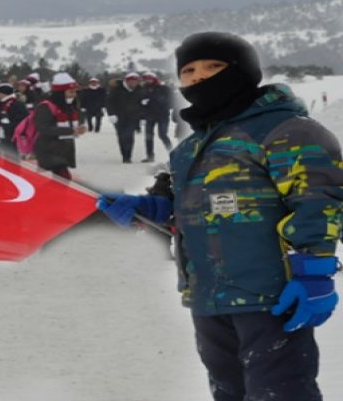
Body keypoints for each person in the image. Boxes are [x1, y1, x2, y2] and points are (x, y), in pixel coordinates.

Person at [97, 32, 343, 400]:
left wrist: (315, 272)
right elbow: (182, 209)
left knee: (281, 392)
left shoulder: (288, 131)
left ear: (244, 71)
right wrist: (147, 209)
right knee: (229, 393)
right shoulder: (189, 148)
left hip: (271, 296)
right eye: (189, 70)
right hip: (209, 296)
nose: (198, 77)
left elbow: (318, 203)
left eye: (213, 66)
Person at [33, 73, 87, 179]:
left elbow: (77, 119)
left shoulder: (70, 105)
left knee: (58, 181)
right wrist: (70, 130)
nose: (74, 94)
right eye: (71, 91)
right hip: (48, 148)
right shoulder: (46, 106)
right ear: (61, 92)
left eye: (75, 91)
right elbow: (42, 128)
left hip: (64, 149)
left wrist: (80, 127)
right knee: (63, 179)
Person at [105, 72, 144, 163]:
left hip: (133, 117)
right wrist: (111, 114)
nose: (134, 84)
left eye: (136, 82)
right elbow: (109, 102)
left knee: (129, 136)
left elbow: (142, 105)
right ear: (127, 81)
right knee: (122, 136)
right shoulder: (117, 89)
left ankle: (128, 156)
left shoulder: (140, 90)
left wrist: (142, 117)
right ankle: (124, 154)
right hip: (119, 117)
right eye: (132, 82)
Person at [140, 71, 175, 162]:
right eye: (146, 78)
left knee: (163, 135)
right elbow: (140, 103)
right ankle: (150, 156)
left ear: (154, 78)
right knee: (148, 136)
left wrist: (150, 101)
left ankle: (173, 154)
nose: (148, 80)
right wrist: (142, 115)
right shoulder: (143, 89)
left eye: (149, 78)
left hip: (162, 115)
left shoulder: (164, 88)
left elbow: (169, 102)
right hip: (149, 116)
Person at [0, 83, 28, 155]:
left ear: (3, 93)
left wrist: (8, 127)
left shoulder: (17, 104)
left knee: (10, 156)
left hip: (9, 135)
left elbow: (22, 121)